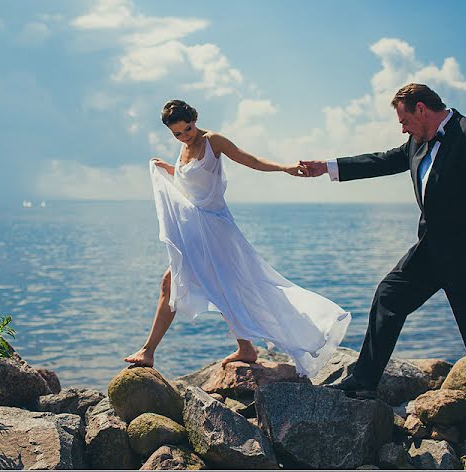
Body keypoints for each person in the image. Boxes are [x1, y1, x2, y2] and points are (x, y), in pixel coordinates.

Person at [300, 83, 466, 439]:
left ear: (422, 109)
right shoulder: (417, 143)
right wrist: (326, 167)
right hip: (431, 251)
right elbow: (381, 160)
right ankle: (363, 381)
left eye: (404, 119)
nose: (402, 128)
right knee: (389, 296)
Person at [125, 99, 351, 377]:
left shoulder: (213, 141)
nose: (185, 136)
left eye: (188, 128)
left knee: (204, 284)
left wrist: (284, 167)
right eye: (178, 133)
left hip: (216, 231)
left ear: (195, 119)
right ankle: (244, 348)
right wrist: (168, 169)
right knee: (218, 286)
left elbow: (250, 160)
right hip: (195, 232)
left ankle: (149, 351)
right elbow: (192, 183)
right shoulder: (184, 147)